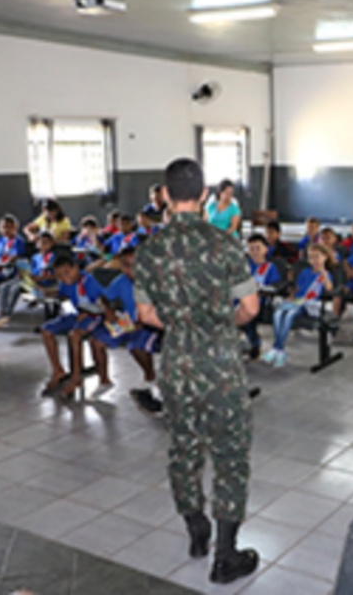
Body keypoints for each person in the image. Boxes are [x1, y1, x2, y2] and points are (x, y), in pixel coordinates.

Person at [133, 158, 260, 584]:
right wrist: (219, 324)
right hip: (222, 363)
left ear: (165, 196)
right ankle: (226, 554)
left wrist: (182, 324)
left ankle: (196, 529)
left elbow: (146, 313)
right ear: (204, 195)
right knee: (230, 455)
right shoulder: (225, 245)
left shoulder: (149, 250)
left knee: (183, 450)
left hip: (177, 365)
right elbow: (250, 308)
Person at [88, 248, 162, 402]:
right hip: (127, 322)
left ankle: (150, 377)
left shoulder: (156, 281)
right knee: (97, 342)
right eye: (125, 265)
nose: (130, 269)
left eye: (134, 264)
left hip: (151, 325)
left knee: (136, 345)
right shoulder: (122, 280)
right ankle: (104, 381)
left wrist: (142, 323)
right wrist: (109, 310)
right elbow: (105, 296)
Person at [39, 254, 105, 399]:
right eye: (59, 276)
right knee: (46, 330)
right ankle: (58, 370)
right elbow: (65, 296)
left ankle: (76, 377)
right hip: (74, 314)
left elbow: (103, 305)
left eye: (67, 272)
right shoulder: (64, 283)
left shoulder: (89, 281)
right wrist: (51, 294)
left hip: (92, 316)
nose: (63, 278)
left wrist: (86, 312)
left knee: (75, 335)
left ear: (75, 268)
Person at [262, 244, 334, 368]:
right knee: (278, 313)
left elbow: (329, 288)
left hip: (309, 305)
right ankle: (278, 349)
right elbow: (298, 289)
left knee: (289, 315)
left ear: (325, 257)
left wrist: (322, 272)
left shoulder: (326, 274)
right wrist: (291, 296)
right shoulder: (305, 272)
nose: (314, 261)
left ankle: (278, 348)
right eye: (311, 258)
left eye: (317, 257)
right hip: (297, 301)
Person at [0, 231, 57, 329]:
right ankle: (2, 311)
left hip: (43, 282)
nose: (43, 245)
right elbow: (31, 270)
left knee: (15, 288)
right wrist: (23, 273)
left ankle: (8, 313)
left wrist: (41, 278)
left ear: (52, 244)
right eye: (41, 242)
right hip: (31, 280)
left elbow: (56, 274)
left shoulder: (53, 257)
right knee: (4, 286)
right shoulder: (35, 257)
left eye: (46, 242)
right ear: (37, 244)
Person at [242, 234, 282, 360]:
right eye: (251, 248)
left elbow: (274, 287)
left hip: (259, 301)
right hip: (239, 299)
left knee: (245, 315)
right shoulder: (243, 266)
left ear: (266, 249)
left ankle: (254, 343)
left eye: (258, 248)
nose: (254, 252)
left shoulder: (270, 268)